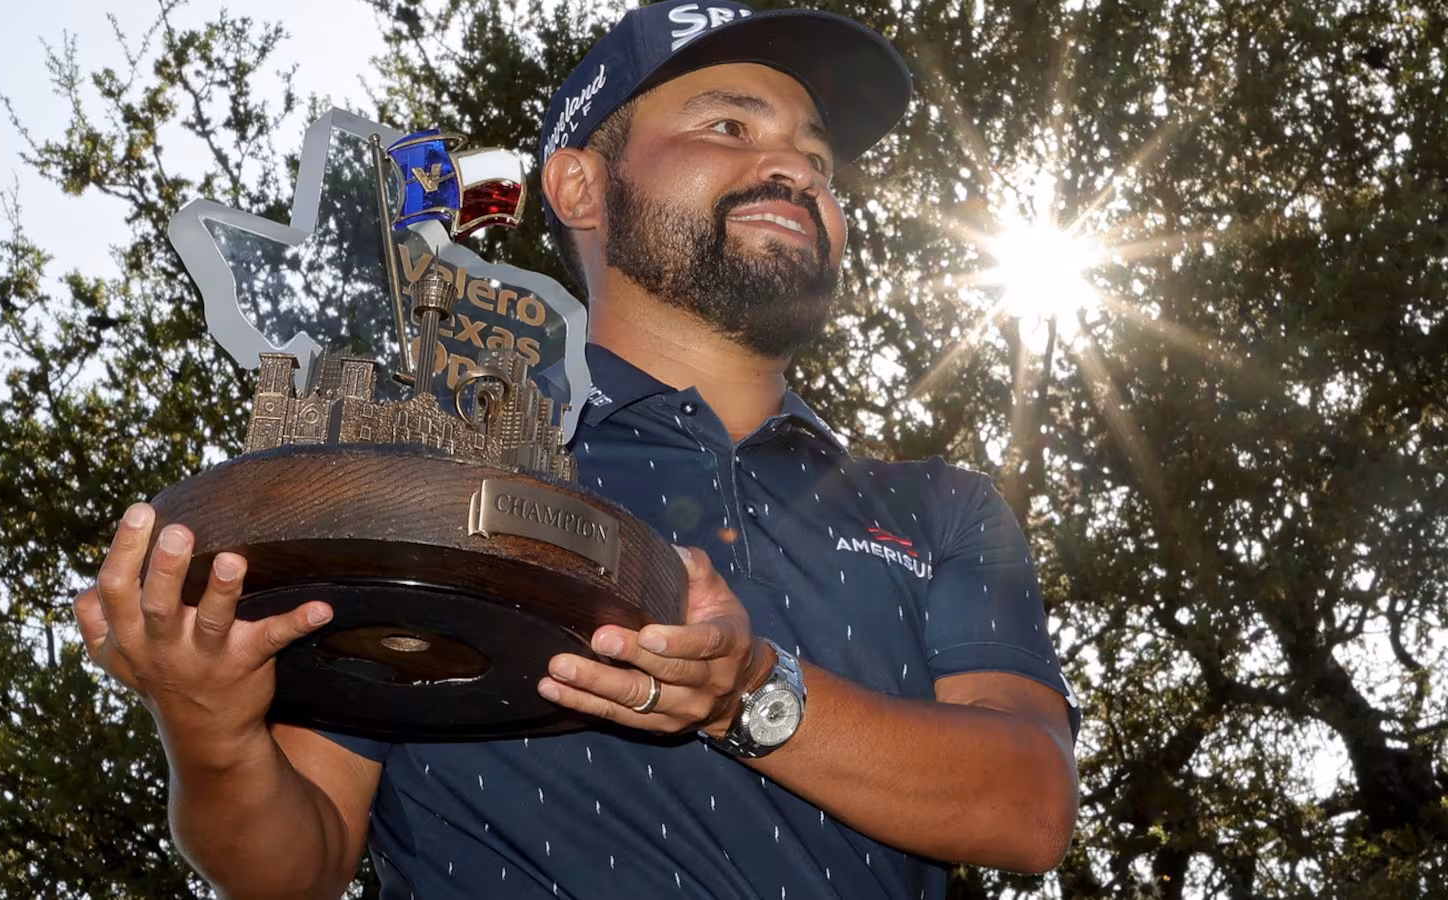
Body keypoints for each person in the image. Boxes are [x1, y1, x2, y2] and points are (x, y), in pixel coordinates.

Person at [74, 2, 1081, 898]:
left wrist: (750, 693)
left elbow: (1028, 809)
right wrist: (209, 735)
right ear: (579, 185)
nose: (792, 169)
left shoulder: (939, 507)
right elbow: (301, 861)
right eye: (728, 125)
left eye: (817, 159)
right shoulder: (433, 472)